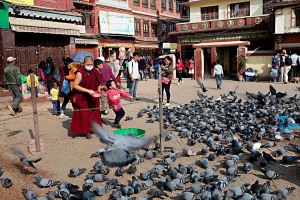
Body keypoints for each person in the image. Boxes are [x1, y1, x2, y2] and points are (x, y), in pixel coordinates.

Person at [70, 56, 102, 139]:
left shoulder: (94, 71)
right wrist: (87, 90)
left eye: (91, 64)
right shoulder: (80, 72)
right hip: (82, 96)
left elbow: (99, 82)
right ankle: (86, 131)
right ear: (84, 64)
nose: (89, 66)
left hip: (93, 96)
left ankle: (93, 128)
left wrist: (98, 87)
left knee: (93, 113)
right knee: (84, 115)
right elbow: (75, 86)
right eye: (88, 64)